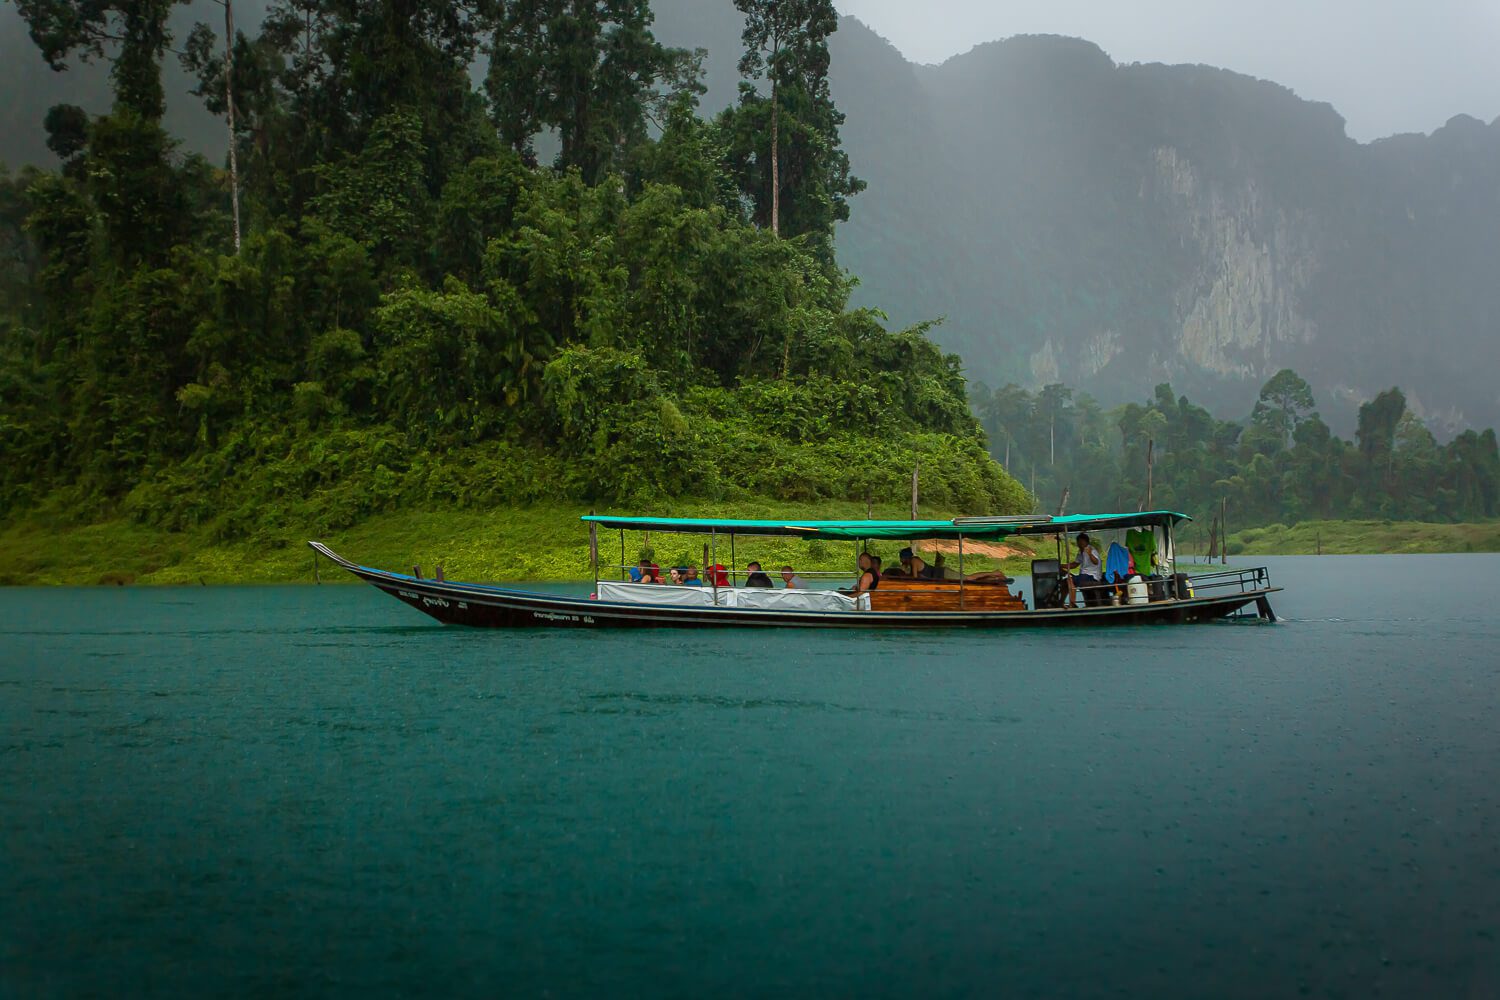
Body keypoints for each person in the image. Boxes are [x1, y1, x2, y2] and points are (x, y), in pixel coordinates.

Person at [1064, 533, 1103, 608]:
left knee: (1070, 579)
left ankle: (1072, 603)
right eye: (1078, 542)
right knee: (1065, 581)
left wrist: (1090, 554)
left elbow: (1096, 562)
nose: (1079, 544)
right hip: (1084, 575)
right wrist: (1061, 565)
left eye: (1081, 542)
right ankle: (1062, 602)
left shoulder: (1091, 549)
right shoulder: (1080, 552)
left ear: (1086, 542)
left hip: (1092, 576)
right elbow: (1075, 564)